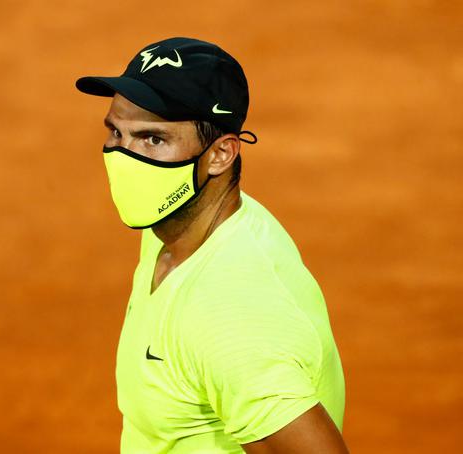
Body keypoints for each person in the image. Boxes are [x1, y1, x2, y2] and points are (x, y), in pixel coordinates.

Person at [76, 37, 348, 454]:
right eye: (116, 132)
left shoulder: (231, 316)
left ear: (220, 154)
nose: (124, 156)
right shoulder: (177, 222)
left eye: (153, 140)